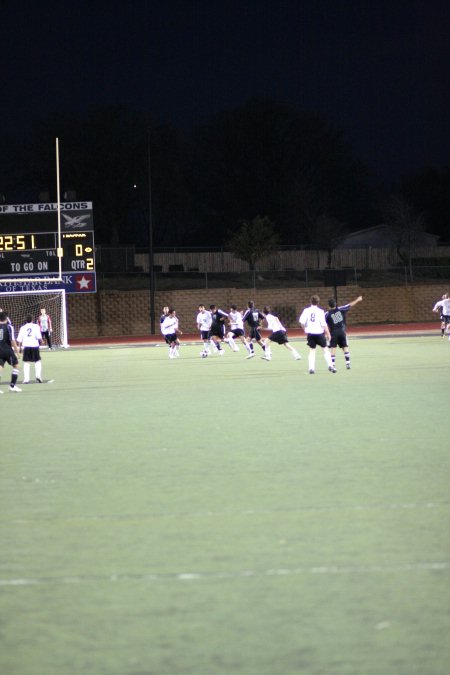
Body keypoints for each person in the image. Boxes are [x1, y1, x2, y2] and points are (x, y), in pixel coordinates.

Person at [325, 295, 363, 370]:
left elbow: (323, 323)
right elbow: (350, 305)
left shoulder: (326, 314)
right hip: (342, 332)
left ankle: (333, 365)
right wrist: (357, 300)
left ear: (328, 306)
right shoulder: (341, 309)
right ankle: (348, 363)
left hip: (333, 333)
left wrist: (326, 334)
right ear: (335, 304)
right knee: (345, 347)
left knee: (333, 348)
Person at [299, 295, 334, 374]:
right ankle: (331, 366)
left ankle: (311, 368)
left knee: (312, 351)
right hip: (319, 333)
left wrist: (305, 329)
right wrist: (328, 334)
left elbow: (301, 322)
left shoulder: (306, 310)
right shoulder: (321, 311)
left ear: (310, 301)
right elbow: (324, 324)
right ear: (318, 302)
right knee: (325, 350)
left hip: (311, 333)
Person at [17, 315, 44, 383]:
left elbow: (19, 339)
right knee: (37, 361)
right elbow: (38, 337)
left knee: (26, 362)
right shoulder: (36, 326)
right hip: (34, 346)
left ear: (25, 320)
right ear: (32, 320)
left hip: (26, 346)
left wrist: (19, 348)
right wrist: (42, 341)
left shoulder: (22, 328)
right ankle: (38, 376)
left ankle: (26, 379)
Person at [0, 310, 22, 392]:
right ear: (6, 318)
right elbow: (12, 341)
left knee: (0, 367)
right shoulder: (9, 327)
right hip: (7, 350)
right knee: (16, 365)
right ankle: (12, 386)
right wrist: (17, 352)